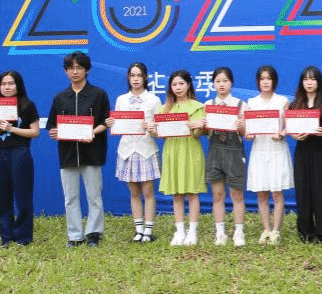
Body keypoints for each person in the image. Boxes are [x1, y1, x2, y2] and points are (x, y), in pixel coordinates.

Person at [47, 51, 111, 247]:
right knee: (71, 197)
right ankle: (75, 235)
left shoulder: (98, 94)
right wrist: (54, 132)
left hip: (92, 152)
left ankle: (94, 233)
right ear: (65, 71)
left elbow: (106, 122)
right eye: (71, 68)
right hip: (67, 153)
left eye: (79, 68)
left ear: (87, 70)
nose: (75, 72)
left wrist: (92, 132)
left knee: (94, 196)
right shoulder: (60, 97)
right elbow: (52, 125)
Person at [106, 62, 161, 243]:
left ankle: (148, 231)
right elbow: (118, 125)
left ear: (145, 77)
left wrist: (152, 128)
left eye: (139, 75)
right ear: (128, 78)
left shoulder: (153, 100)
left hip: (146, 149)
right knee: (134, 193)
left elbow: (160, 129)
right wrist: (112, 124)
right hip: (127, 150)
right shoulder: (121, 99)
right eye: (132, 75)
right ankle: (138, 230)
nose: (135, 79)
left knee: (148, 192)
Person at [0, 69, 39, 246]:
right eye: (4, 84)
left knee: (23, 194)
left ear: (18, 85)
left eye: (11, 83)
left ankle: (23, 236)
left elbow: (35, 132)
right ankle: (6, 236)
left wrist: (11, 128)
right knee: (2, 195)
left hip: (19, 152)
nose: (7, 87)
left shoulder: (27, 105)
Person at [158, 69, 207, 245]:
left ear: (188, 85)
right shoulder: (164, 108)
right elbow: (161, 135)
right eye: (174, 84)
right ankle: (179, 231)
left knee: (192, 193)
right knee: (177, 194)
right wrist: (153, 129)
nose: (178, 87)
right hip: (172, 151)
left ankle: (192, 232)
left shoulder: (198, 107)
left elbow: (197, 134)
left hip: (191, 151)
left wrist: (199, 126)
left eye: (181, 83)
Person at [288, 66, 322, 244]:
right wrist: (295, 136)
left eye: (313, 79)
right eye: (306, 79)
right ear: (301, 82)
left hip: (320, 151)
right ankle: (306, 233)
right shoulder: (294, 105)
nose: (309, 83)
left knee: (321, 191)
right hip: (302, 151)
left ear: (319, 82)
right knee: (303, 192)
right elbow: (290, 129)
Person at [245, 64, 293, 245]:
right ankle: (266, 229)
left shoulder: (282, 101)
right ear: (258, 81)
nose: (265, 82)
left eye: (269, 78)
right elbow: (248, 130)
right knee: (261, 193)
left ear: (274, 81)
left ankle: (276, 231)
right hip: (259, 150)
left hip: (277, 150)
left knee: (277, 193)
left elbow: (290, 126)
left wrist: (282, 134)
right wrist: (248, 134)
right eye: (262, 79)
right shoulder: (252, 102)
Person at [204, 66, 246, 246]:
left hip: (234, 152)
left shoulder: (240, 104)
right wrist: (203, 125)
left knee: (236, 194)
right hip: (215, 152)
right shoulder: (208, 105)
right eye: (218, 81)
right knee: (217, 194)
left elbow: (245, 133)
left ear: (231, 83)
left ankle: (239, 232)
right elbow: (205, 132)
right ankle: (220, 233)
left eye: (225, 81)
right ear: (213, 83)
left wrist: (241, 127)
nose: (221, 84)